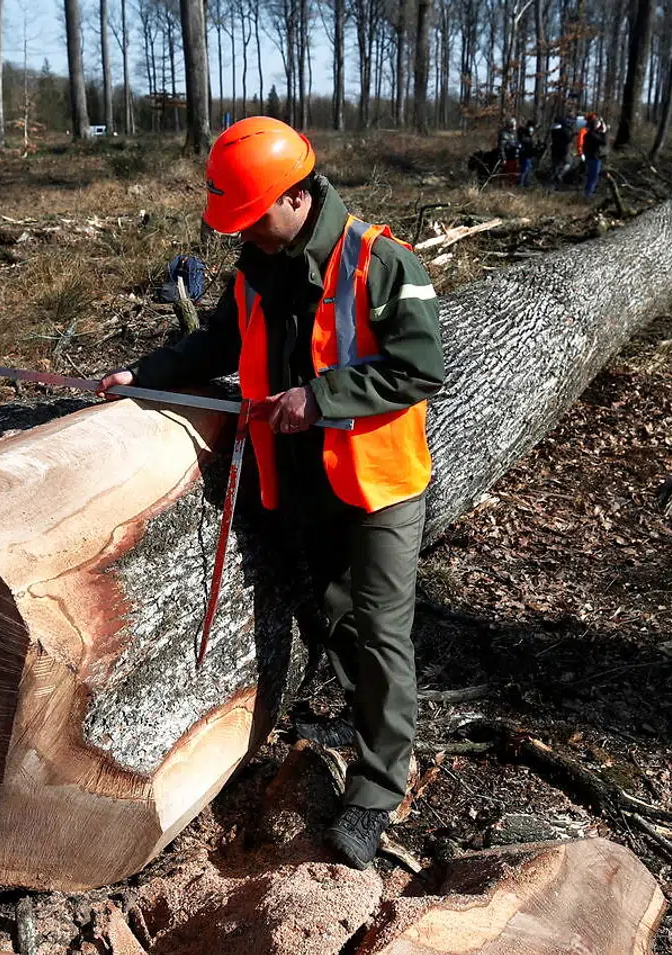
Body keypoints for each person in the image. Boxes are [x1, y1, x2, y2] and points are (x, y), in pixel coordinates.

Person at [98, 116, 444, 870]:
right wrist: (146, 373)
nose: (244, 234)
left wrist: (320, 398)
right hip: (299, 478)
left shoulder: (382, 262)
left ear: (296, 197)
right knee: (331, 611)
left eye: (252, 218)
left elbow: (421, 367)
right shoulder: (256, 265)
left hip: (377, 481)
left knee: (382, 630)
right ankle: (367, 713)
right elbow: (220, 340)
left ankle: (377, 790)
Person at [582, 113, 608, 200]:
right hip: (594, 158)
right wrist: (604, 132)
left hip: (589, 157)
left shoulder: (588, 134)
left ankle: (587, 194)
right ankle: (587, 196)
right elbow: (604, 142)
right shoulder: (592, 135)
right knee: (593, 178)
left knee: (590, 177)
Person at [547, 114, 573, 187]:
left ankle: (551, 184)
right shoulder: (564, 130)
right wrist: (572, 134)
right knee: (569, 162)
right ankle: (560, 175)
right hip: (563, 151)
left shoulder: (553, 129)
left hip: (554, 150)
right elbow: (569, 139)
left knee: (555, 166)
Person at [497, 116, 519, 183]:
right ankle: (504, 186)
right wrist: (503, 158)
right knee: (506, 174)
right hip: (507, 157)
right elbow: (501, 148)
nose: (513, 127)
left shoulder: (514, 134)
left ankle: (511, 185)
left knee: (514, 174)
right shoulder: (504, 134)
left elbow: (515, 144)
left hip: (513, 157)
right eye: (512, 125)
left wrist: (517, 149)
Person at [517, 119, 538, 187]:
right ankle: (521, 183)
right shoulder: (524, 135)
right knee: (525, 169)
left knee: (528, 168)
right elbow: (523, 141)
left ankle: (525, 182)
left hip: (528, 154)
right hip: (525, 154)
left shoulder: (529, 136)